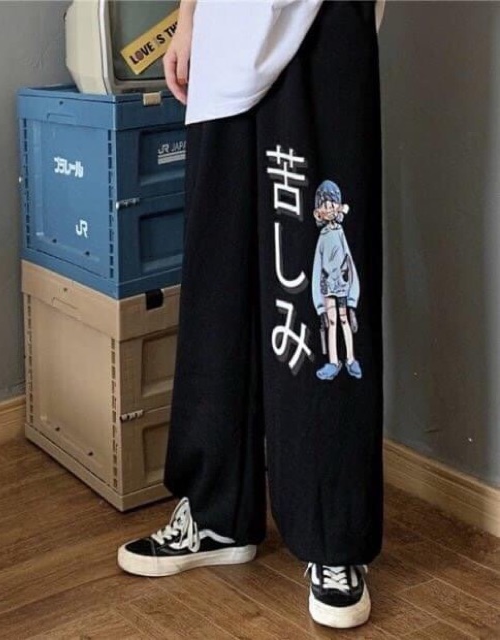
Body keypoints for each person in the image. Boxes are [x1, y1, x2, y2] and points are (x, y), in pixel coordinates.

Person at [117, 0, 385, 630]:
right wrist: (188, 19)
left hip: (322, 25)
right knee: (218, 277)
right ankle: (218, 512)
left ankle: (332, 538)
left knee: (315, 293)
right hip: (224, 36)